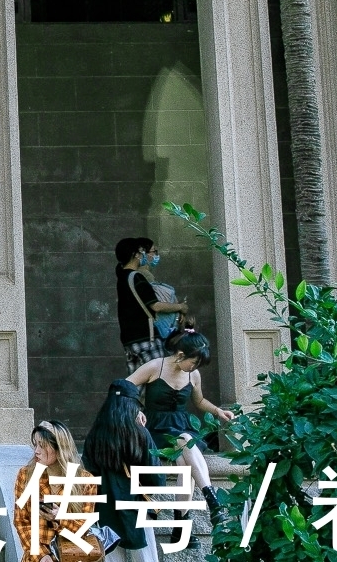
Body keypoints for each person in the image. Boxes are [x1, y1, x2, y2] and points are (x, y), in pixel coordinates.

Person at [126, 330, 231, 511]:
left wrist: (218, 411)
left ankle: (181, 524)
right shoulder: (155, 366)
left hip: (182, 426)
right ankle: (211, 499)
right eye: (194, 362)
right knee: (185, 441)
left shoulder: (194, 375)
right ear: (181, 355)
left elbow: (199, 400)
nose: (194, 367)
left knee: (184, 461)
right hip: (155, 429)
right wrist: (135, 409)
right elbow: (124, 386)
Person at [10, 419, 106, 562]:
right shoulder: (25, 475)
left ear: (59, 448)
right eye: (35, 445)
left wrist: (59, 516)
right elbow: (21, 521)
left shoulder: (85, 481)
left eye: (42, 446)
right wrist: (41, 555)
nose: (36, 451)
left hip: (72, 556)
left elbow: (83, 527)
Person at [84, 380, 158, 562]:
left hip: (105, 507)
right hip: (135, 505)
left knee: (111, 555)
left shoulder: (95, 435)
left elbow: (89, 471)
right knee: (145, 557)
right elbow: (155, 477)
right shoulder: (139, 433)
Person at [114, 238, 186, 372]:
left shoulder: (123, 277)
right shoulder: (137, 277)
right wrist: (180, 307)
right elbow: (155, 306)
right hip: (146, 338)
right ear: (135, 254)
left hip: (130, 340)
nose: (142, 254)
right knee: (157, 379)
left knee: (137, 385)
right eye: (140, 251)